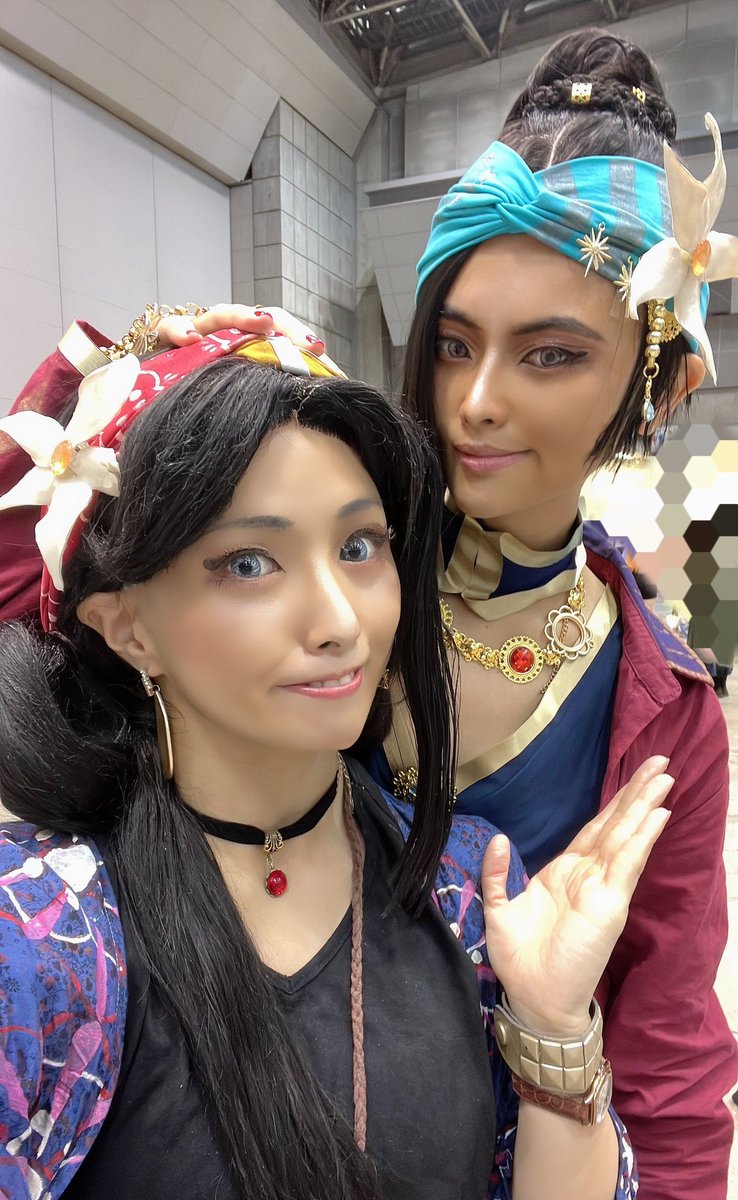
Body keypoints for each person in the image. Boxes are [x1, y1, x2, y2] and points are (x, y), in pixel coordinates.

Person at [0, 331, 672, 1199]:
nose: (340, 622)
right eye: (250, 563)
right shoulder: (42, 938)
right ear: (128, 627)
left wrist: (552, 1025)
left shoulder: (469, 892)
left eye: (360, 547)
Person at [379, 28, 737, 1200]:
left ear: (657, 380)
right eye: (454, 344)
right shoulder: (323, 571)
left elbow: (670, 1060)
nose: (475, 402)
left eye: (549, 355)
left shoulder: (667, 714)